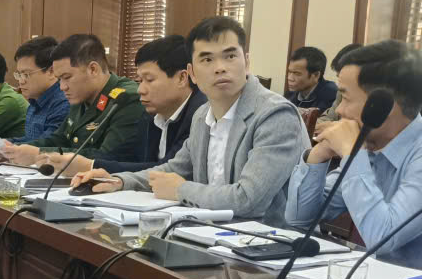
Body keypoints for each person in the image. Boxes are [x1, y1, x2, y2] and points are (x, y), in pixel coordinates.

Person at [73, 16, 305, 225]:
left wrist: (181, 190)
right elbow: (174, 169)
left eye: (230, 56)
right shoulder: (202, 115)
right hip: (210, 232)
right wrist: (119, 181)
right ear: (192, 73)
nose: (220, 68)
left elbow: (249, 200)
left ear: (247, 62)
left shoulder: (274, 115)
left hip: (266, 242)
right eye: (207, 59)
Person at [286, 40, 422, 267]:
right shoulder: (371, 147)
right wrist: (317, 157)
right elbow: (299, 219)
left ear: (384, 107)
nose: (339, 110)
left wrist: (351, 153)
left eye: (346, 98)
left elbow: (382, 237)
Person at [0, 34, 143, 166]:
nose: (62, 87)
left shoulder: (126, 98)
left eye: (67, 77)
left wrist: (40, 154)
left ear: (93, 69)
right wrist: (13, 149)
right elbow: (59, 139)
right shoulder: (81, 96)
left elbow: (108, 156)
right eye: (60, 79)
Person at [55, 35, 206, 177]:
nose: (140, 89)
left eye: (149, 80)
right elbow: (124, 155)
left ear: (181, 78)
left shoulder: (199, 116)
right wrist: (78, 162)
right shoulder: (151, 115)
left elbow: (168, 169)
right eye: (140, 80)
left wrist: (91, 166)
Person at [13, 36, 69, 142]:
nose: (21, 81)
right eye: (19, 74)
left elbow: (46, 145)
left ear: (51, 72)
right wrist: (1, 144)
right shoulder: (34, 101)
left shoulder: (62, 103)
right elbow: (29, 140)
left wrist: (4, 148)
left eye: (26, 74)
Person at [316, 43, 363, 130]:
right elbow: (329, 117)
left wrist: (333, 127)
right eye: (338, 76)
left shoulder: (366, 94)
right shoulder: (341, 92)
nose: (339, 110)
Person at [285, 45, 338, 112]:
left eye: (297, 74)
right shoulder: (291, 93)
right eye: (289, 72)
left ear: (316, 75)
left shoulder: (331, 95)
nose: (290, 78)